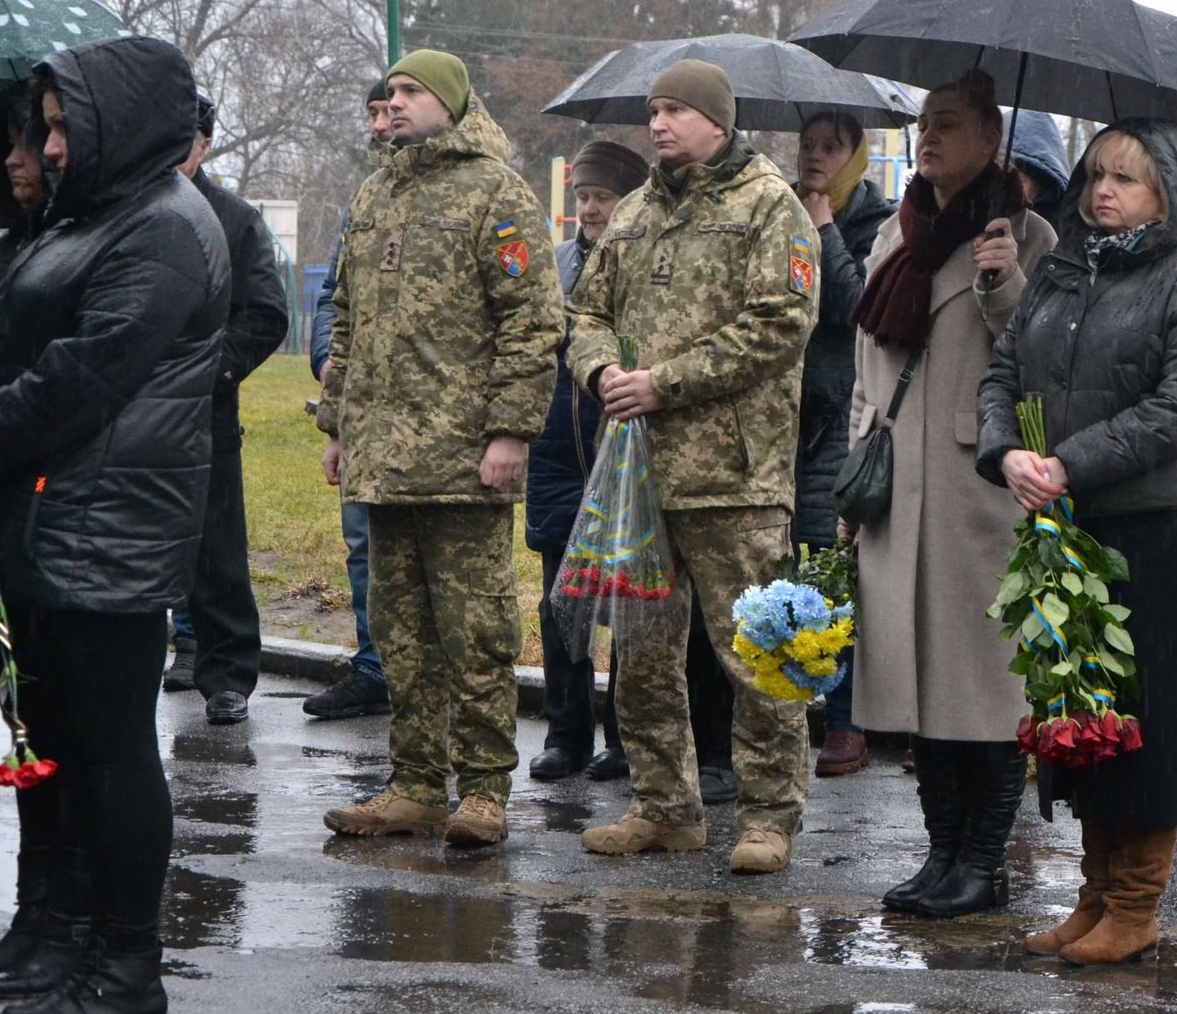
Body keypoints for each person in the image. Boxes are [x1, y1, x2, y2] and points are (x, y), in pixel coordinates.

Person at [0, 35, 231, 1010]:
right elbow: (7, 343)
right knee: (49, 742)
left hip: (113, 524)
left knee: (110, 751)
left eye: (63, 126)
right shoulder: (82, 219)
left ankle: (125, 963)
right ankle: (51, 934)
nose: (50, 147)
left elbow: (84, 372)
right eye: (47, 128)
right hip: (44, 518)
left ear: (122, 119)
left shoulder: (165, 228)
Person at [978, 118, 1177, 962]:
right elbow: (1004, 370)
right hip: (1065, 513)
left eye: (1125, 177)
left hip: (1153, 517)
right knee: (1079, 696)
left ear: (1169, 189)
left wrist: (1069, 462)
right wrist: (1006, 450)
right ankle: (1093, 892)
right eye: (1094, 175)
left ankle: (1136, 901)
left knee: (1146, 701)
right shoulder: (1062, 271)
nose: (1101, 192)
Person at [566, 59, 819, 875]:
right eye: (654, 110)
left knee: (759, 651)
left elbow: (780, 323)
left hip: (735, 477)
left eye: (676, 109)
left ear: (718, 119)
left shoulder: (769, 206)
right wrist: (601, 369)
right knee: (639, 650)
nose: (660, 123)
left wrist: (662, 383)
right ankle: (664, 806)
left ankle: (769, 814)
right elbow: (585, 313)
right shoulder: (634, 211)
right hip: (638, 476)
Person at [318, 50, 563, 849]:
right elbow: (348, 317)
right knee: (401, 634)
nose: (392, 103)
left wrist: (510, 430)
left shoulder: (496, 189)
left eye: (410, 91)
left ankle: (485, 788)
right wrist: (338, 426)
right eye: (387, 92)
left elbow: (531, 322)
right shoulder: (376, 190)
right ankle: (416, 784)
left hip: (464, 459)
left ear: (450, 103)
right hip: (385, 461)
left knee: (478, 633)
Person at [846, 73, 1057, 918]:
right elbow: (869, 369)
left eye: (949, 124)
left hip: (982, 491)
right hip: (898, 487)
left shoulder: (1030, 234)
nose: (928, 137)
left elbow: (1044, 361)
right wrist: (856, 476)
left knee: (987, 685)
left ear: (990, 139)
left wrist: (1005, 284)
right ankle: (941, 857)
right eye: (923, 122)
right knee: (919, 686)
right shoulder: (897, 236)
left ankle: (984, 863)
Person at [163, 93, 288, 726]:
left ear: (204, 146)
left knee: (217, 553)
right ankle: (169, 653)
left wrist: (209, 372)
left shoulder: (235, 220)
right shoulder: (125, 212)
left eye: (181, 141)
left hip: (204, 413)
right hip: (126, 416)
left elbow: (267, 313)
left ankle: (228, 675)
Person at [527, 138, 646, 780]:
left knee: (630, 600)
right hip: (556, 457)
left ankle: (624, 737)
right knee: (559, 602)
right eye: (583, 197)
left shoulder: (642, 263)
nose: (591, 209)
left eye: (603, 196)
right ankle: (564, 732)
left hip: (623, 458)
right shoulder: (554, 266)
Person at [792, 108, 895, 777]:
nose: (816, 156)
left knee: (835, 569)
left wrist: (826, 227)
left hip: (844, 413)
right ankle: (798, 697)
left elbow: (857, 307)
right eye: (808, 145)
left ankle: (845, 720)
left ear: (857, 155)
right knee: (795, 566)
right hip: (791, 417)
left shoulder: (873, 224)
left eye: (831, 146)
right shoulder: (781, 211)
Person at [302, 78, 395, 721]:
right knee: (362, 543)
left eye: (394, 108)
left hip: (432, 418)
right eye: (374, 112)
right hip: (360, 412)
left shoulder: (477, 196)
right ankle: (373, 667)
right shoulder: (363, 200)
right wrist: (326, 358)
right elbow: (334, 294)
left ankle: (429, 681)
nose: (382, 123)